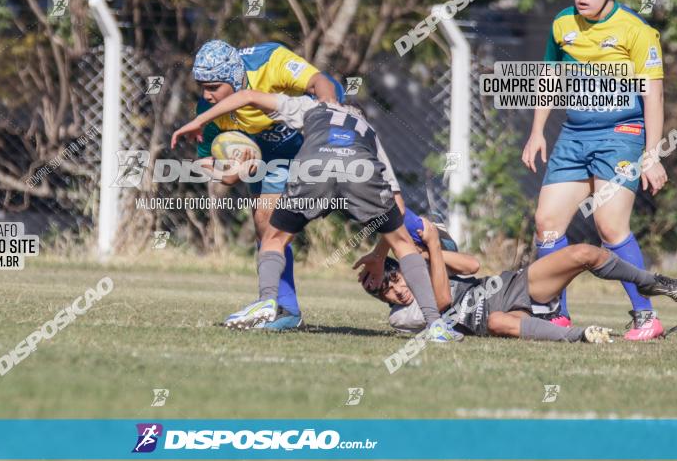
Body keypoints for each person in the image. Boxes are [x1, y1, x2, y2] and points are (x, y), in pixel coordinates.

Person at [173, 90, 464, 342]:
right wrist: (381, 249)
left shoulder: (312, 107)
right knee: (403, 244)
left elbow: (248, 97)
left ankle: (266, 301)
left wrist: (200, 120)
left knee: (273, 238)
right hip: (359, 166)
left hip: (316, 166)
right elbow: (398, 208)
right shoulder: (369, 132)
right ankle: (434, 324)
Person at [521, 0, 669, 339]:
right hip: (573, 135)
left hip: (621, 134)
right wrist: (537, 131)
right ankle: (556, 315)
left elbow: (653, 96)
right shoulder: (562, 23)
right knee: (547, 225)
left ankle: (646, 317)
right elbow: (549, 77)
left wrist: (652, 155)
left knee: (609, 224)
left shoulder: (635, 30)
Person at [190, 40, 343, 330]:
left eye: (213, 87)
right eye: (202, 87)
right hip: (274, 153)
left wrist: (330, 113)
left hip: (318, 132)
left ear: (234, 78)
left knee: (373, 209)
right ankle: (283, 308)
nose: (206, 95)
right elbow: (203, 161)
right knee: (265, 221)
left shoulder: (269, 60)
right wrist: (232, 173)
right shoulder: (210, 110)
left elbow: (319, 81)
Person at [373, 221, 677, 342]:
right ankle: (579, 335)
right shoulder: (403, 316)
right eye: (388, 292)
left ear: (404, 268)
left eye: (397, 281)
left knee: (584, 252)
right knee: (499, 321)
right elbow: (442, 303)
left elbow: (471, 264)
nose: (398, 291)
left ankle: (649, 281)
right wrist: (429, 245)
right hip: (491, 318)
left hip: (511, 285)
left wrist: (427, 254)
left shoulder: (425, 267)